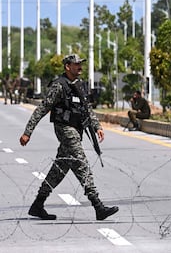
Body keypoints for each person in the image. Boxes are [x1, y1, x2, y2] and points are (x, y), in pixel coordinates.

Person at [19, 54, 119, 221]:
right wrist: (28, 132)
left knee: (59, 169)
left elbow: (87, 108)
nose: (80, 67)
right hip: (65, 129)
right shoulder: (59, 86)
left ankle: (38, 204)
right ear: (67, 66)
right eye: (76, 64)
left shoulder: (79, 85)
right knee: (81, 163)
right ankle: (98, 206)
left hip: (77, 129)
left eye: (81, 64)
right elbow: (42, 109)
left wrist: (97, 126)